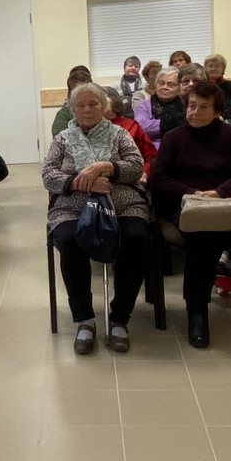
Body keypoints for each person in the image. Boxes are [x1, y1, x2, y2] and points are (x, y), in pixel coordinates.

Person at [151, 82, 231, 348]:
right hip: (190, 205)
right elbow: (160, 178)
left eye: (204, 107)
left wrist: (220, 192)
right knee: (202, 242)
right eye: (192, 106)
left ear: (218, 111)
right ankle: (197, 313)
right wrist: (191, 193)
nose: (196, 112)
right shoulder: (174, 138)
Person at [43, 82, 148, 355]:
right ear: (73, 109)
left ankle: (119, 319)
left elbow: (136, 167)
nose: (87, 109)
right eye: (81, 105)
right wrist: (83, 182)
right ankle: (85, 320)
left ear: (104, 107)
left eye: (93, 104)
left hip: (122, 205)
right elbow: (49, 175)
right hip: (73, 208)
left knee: (135, 237)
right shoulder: (62, 138)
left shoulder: (119, 134)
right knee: (70, 240)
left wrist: (107, 167)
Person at [103, 87, 156, 185]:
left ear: (113, 101)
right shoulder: (88, 128)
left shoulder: (131, 126)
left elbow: (150, 156)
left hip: (131, 179)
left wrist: (145, 173)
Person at [133, 66, 184, 145]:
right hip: (153, 148)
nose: (164, 87)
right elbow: (140, 127)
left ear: (179, 88)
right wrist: (167, 123)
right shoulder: (144, 105)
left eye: (171, 85)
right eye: (161, 83)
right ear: (156, 85)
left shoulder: (185, 105)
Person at [52, 66, 93, 137]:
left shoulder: (98, 110)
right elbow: (61, 139)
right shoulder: (63, 115)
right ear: (69, 93)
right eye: (76, 91)